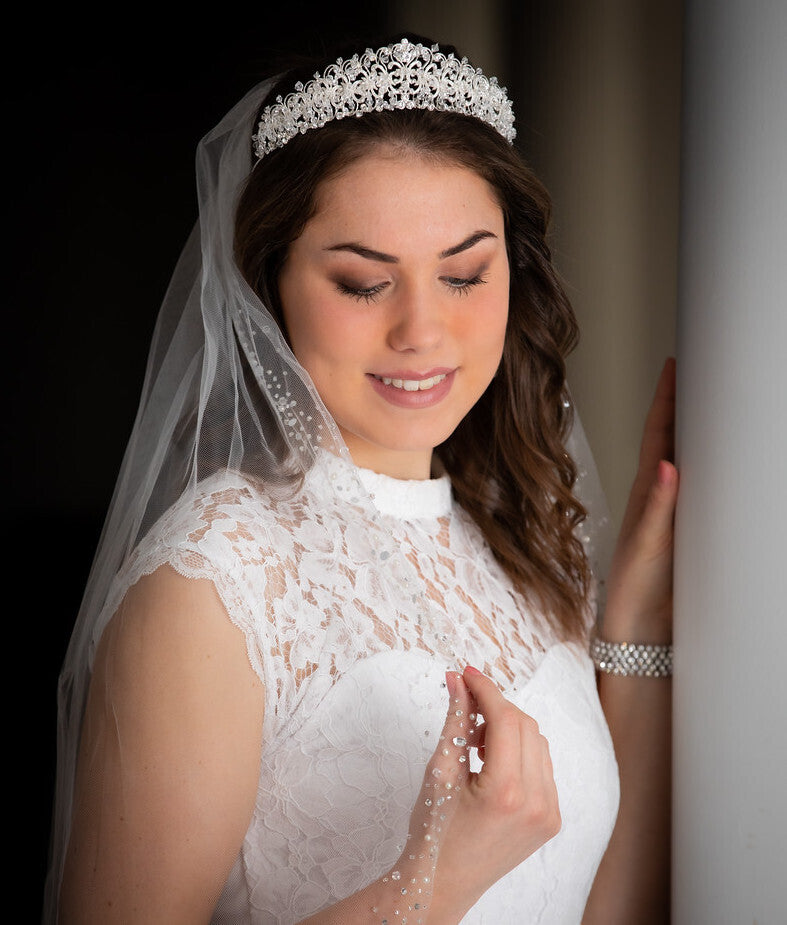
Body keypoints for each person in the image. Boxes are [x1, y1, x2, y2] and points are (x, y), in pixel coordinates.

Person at [43, 34, 677, 924]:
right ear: (270, 287)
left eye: (463, 273)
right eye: (362, 283)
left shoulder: (519, 541)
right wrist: (436, 876)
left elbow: (605, 906)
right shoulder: (216, 579)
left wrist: (637, 623)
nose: (422, 331)